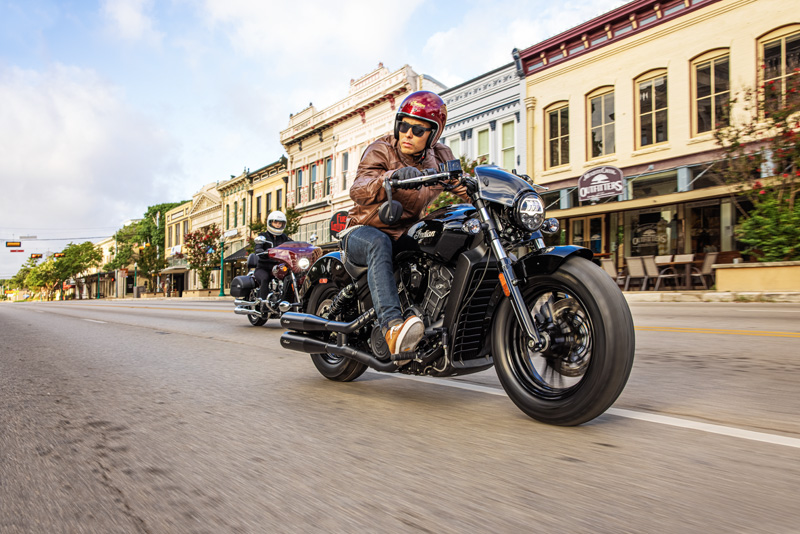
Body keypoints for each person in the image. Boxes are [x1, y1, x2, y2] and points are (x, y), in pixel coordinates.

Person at [340, 90, 470, 356]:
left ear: (432, 135)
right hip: (364, 231)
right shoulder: (381, 149)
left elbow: (462, 183)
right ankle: (392, 327)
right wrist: (391, 177)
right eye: (404, 126)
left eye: (418, 130)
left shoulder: (440, 155)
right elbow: (359, 188)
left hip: (404, 233)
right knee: (378, 242)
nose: (408, 134)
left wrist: (493, 190)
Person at [254, 211, 291, 303]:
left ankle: (286, 301)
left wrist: (302, 246)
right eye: (276, 222)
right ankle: (264, 304)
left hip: (279, 267)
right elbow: (258, 247)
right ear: (270, 223)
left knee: (290, 278)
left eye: (280, 223)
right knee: (265, 278)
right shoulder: (263, 236)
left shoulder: (284, 237)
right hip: (264, 268)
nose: (278, 225)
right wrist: (260, 250)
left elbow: (292, 244)